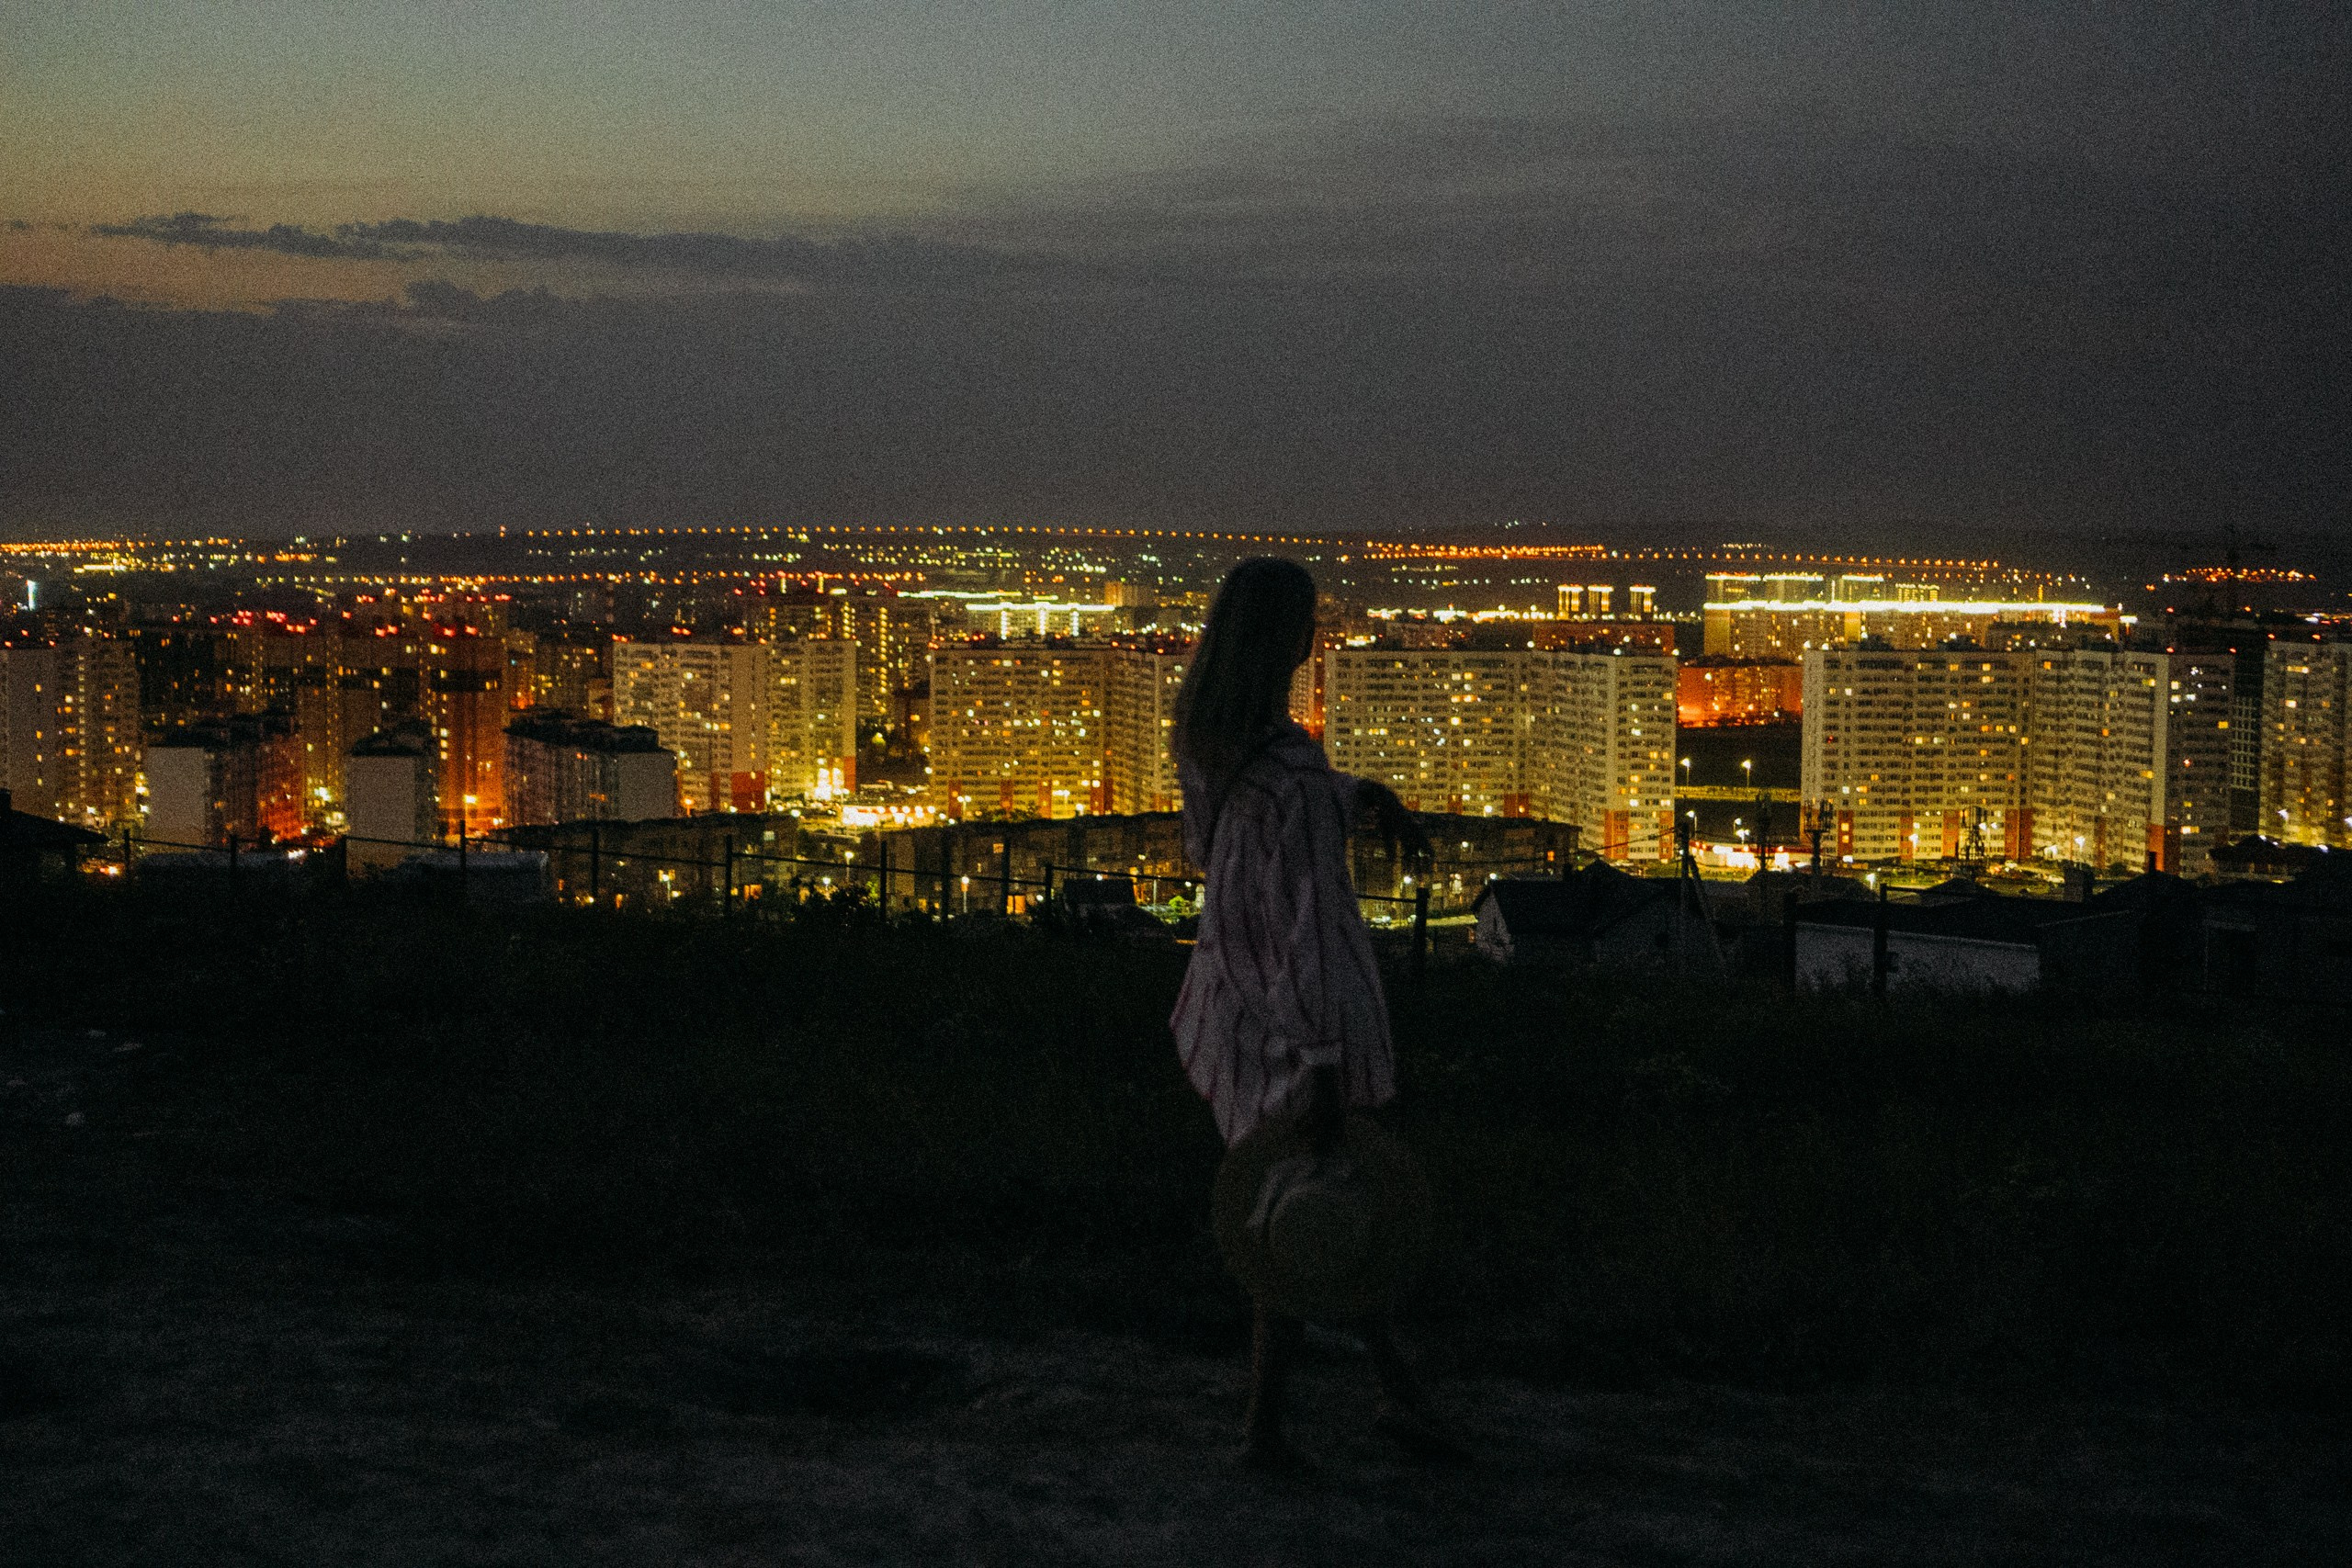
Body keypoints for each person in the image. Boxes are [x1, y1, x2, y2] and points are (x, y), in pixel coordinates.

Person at [1169, 557, 1459, 1470]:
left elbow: (1232, 841)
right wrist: (1327, 1059)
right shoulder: (1288, 772)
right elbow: (1310, 928)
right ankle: (1274, 1430)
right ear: (1280, 637)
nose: (1316, 634)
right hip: (1300, 1025)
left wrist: (1358, 797)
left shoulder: (1216, 744)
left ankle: (1372, 1401)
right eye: (1306, 620)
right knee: (1309, 1213)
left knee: (1304, 1211)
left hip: (1238, 1001)